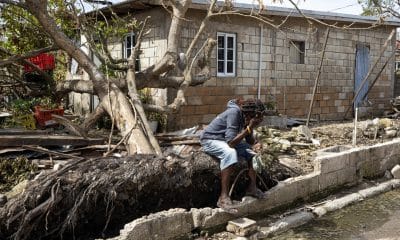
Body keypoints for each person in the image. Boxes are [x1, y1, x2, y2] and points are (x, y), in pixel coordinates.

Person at [200, 97, 265, 210]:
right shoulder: (234, 113)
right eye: (257, 115)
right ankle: (223, 197)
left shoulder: (245, 116)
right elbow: (231, 143)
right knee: (230, 153)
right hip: (211, 140)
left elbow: (249, 140)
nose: (258, 118)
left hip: (224, 140)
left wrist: (256, 143)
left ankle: (252, 188)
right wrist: (249, 128)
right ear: (250, 112)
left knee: (253, 153)